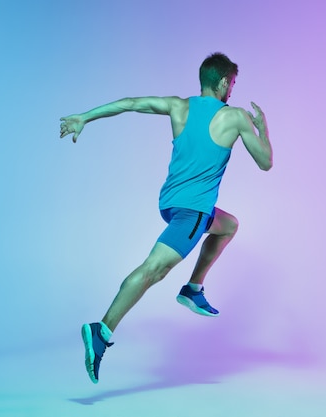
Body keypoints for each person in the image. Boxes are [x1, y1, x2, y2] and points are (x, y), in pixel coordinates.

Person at [59, 52, 272, 384]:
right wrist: (263, 130)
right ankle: (101, 330)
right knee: (153, 270)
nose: (232, 90)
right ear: (222, 82)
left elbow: (130, 102)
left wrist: (85, 117)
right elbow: (266, 162)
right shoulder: (237, 117)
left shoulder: (178, 106)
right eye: (231, 84)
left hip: (170, 204)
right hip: (193, 213)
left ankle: (193, 288)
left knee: (228, 225)